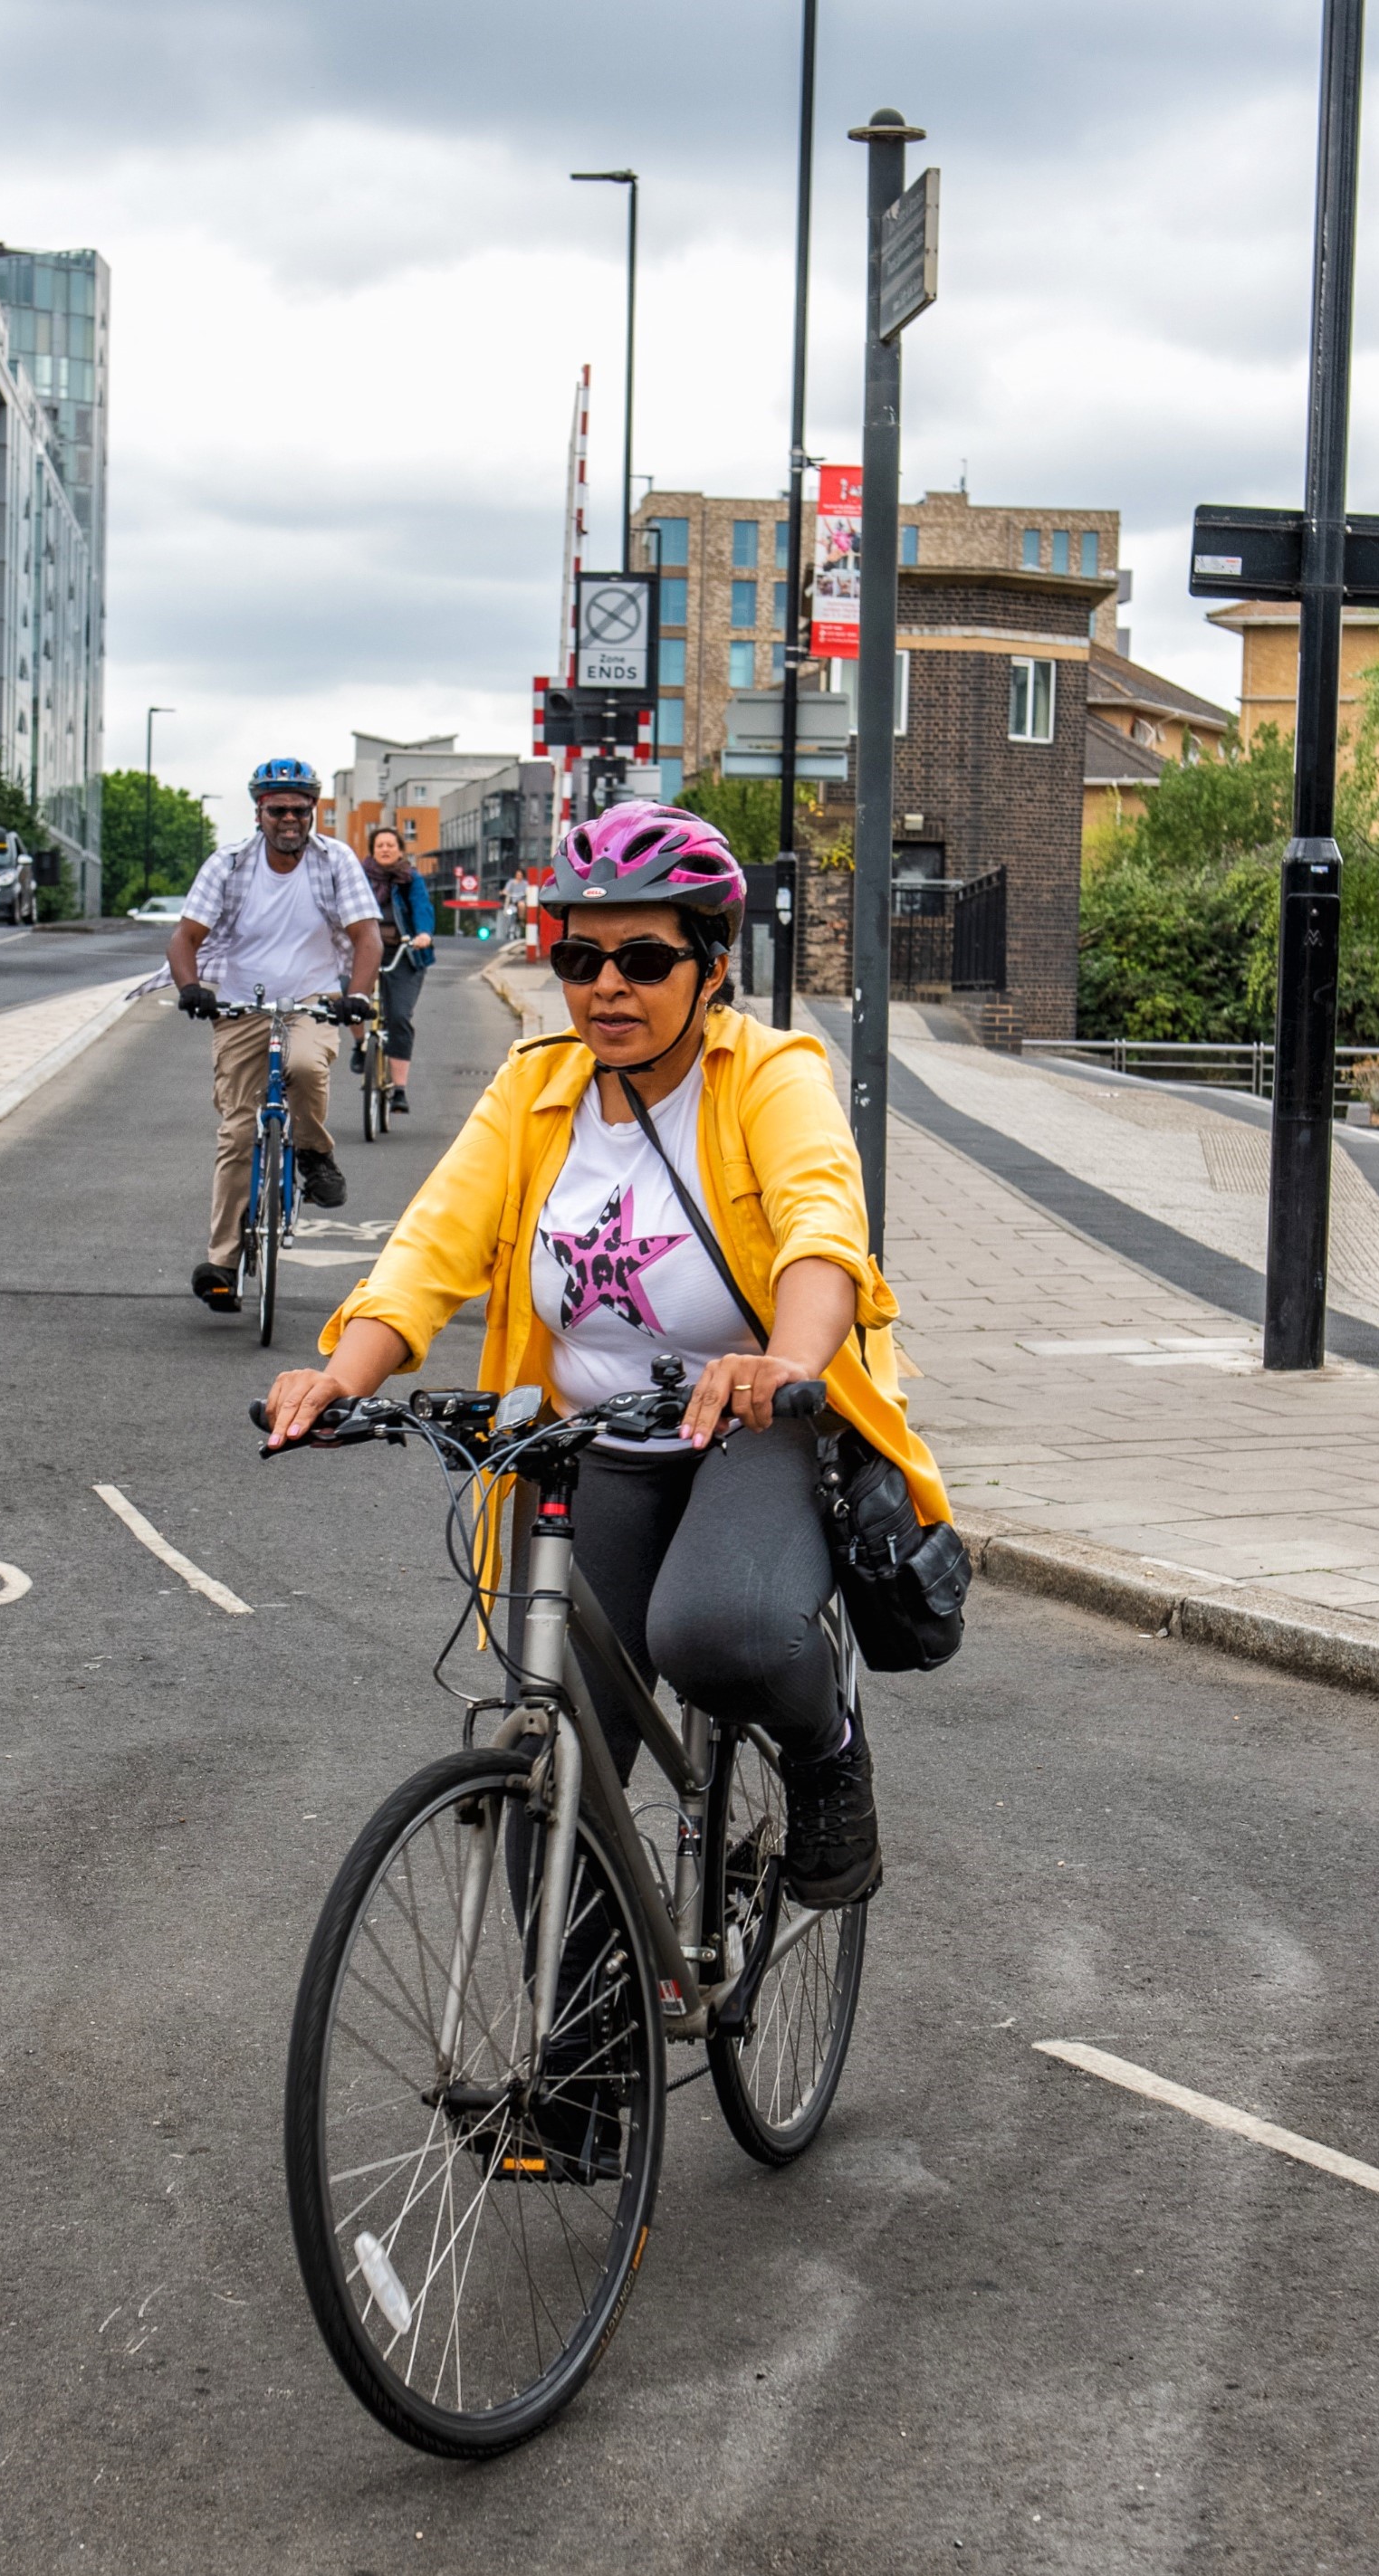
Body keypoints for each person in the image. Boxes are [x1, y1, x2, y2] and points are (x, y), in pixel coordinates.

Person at [258, 802, 940, 1908]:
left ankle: (827, 1749)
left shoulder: (771, 1078)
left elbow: (824, 1229)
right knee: (554, 1758)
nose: (606, 986)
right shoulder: (536, 1088)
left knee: (718, 1629)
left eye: (643, 958)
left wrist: (786, 1361)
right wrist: (344, 1372)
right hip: (596, 1440)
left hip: (756, 1426)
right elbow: (435, 1244)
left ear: (710, 968)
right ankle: (576, 2066)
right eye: (579, 956)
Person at [171, 759, 381, 1313]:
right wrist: (193, 987)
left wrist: (355, 995)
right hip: (242, 1005)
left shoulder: (335, 862)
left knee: (309, 1067)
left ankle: (313, 1153)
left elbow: (367, 938)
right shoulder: (230, 864)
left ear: (312, 810)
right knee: (238, 1134)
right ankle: (222, 1262)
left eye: (299, 809)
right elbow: (184, 937)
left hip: (310, 1001)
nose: (289, 818)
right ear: (258, 813)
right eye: (277, 809)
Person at [361, 824, 438, 1113]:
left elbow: (422, 908)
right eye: (379, 845)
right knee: (349, 997)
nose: (385, 849)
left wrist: (423, 934)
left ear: (400, 851)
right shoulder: (359, 878)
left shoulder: (410, 879)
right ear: (372, 850)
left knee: (399, 1016)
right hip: (365, 952)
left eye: (390, 845)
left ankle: (399, 1089)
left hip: (405, 953)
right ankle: (360, 1047)